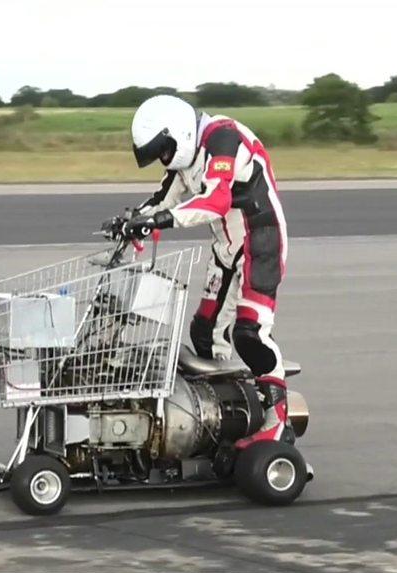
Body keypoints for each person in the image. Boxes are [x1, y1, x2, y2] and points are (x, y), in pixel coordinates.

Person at [122, 95, 290, 446]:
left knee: (249, 333)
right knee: (204, 332)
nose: (163, 159)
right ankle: (222, 416)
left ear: (179, 133)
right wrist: (131, 221)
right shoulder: (186, 161)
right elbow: (162, 198)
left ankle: (276, 421)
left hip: (261, 243)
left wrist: (161, 221)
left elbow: (217, 201)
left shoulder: (222, 139)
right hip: (226, 250)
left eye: (164, 150)